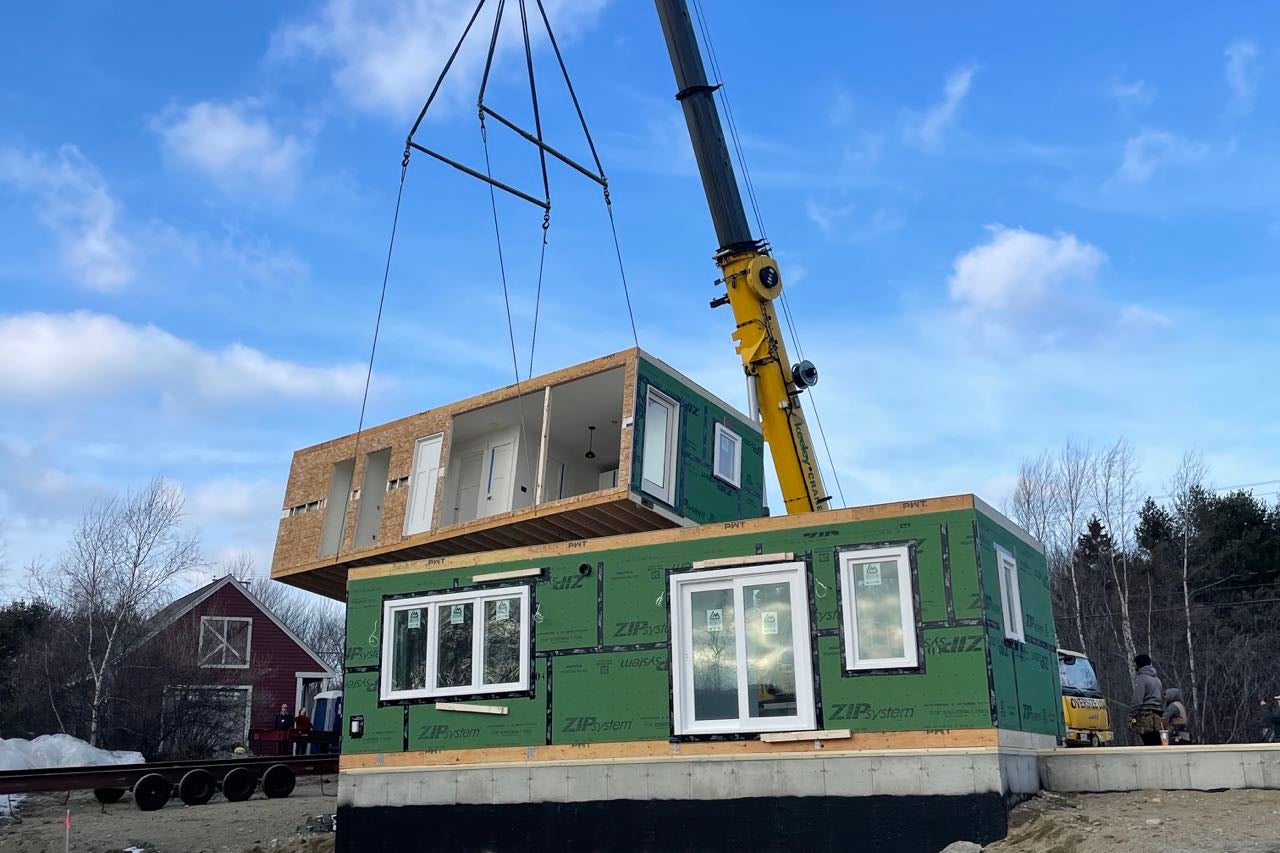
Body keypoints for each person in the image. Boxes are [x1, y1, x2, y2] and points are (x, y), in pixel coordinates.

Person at [1129, 653, 1164, 745]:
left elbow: (1137, 700)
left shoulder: (1141, 679)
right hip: (1158, 716)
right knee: (1156, 743)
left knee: (1148, 744)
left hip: (1145, 717)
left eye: (1135, 664)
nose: (1135, 666)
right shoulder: (1157, 679)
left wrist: (1131, 715)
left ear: (1139, 664)